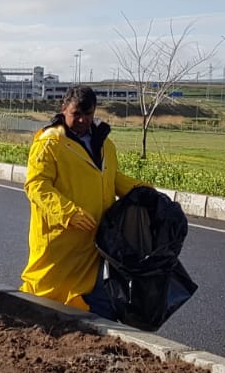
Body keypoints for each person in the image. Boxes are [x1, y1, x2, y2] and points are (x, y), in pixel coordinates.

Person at [20, 85, 144, 311]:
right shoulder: (49, 143)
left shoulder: (105, 144)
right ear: (64, 108)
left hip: (94, 243)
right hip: (61, 244)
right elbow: (36, 185)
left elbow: (111, 178)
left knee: (95, 302)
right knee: (46, 301)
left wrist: (144, 191)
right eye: (76, 114)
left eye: (88, 115)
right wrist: (68, 213)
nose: (82, 120)